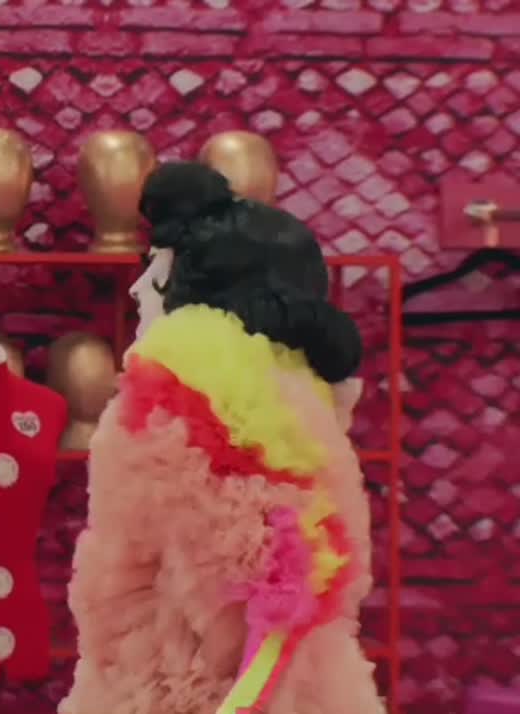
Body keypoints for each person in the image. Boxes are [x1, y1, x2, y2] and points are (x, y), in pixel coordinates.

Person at [61, 162, 383, 714]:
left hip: (202, 687)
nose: (137, 288)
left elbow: (282, 587)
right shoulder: (285, 400)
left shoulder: (196, 403)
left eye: (157, 270)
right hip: (215, 675)